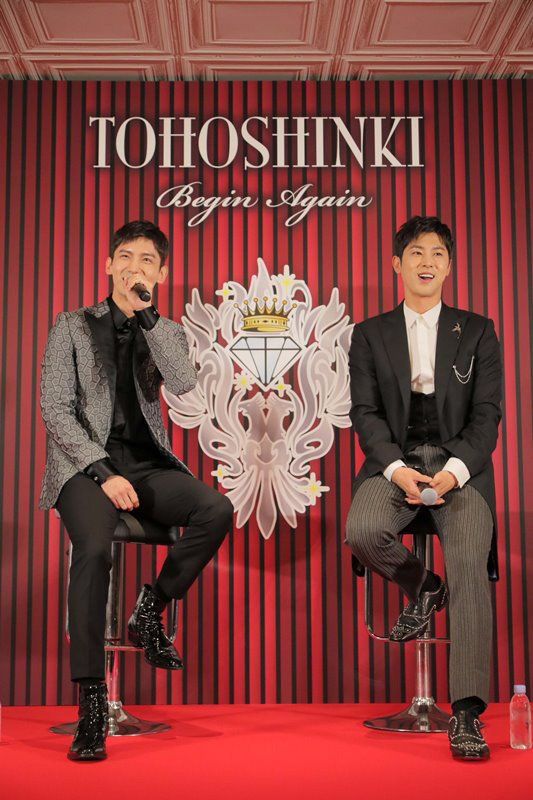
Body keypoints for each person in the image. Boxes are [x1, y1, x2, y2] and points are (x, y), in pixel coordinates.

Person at [40, 220, 233, 761]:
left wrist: (148, 317)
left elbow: (185, 383)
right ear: (108, 265)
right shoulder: (72, 325)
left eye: (147, 260)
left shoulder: (164, 330)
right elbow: (55, 408)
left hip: (146, 466)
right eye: (125, 257)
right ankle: (92, 704)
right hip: (84, 468)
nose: (134, 268)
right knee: (94, 549)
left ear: (161, 274)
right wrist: (105, 472)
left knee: (216, 508)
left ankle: (151, 608)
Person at [345, 216, 501, 760]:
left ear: (449, 266)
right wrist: (395, 468)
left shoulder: (477, 330)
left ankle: (466, 714)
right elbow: (365, 414)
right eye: (416, 252)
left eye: (437, 253)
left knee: (468, 562)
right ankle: (424, 586)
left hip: (460, 467)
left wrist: (455, 470)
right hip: (396, 460)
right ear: (397, 264)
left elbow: (487, 415)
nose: (427, 261)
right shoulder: (370, 334)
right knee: (363, 529)